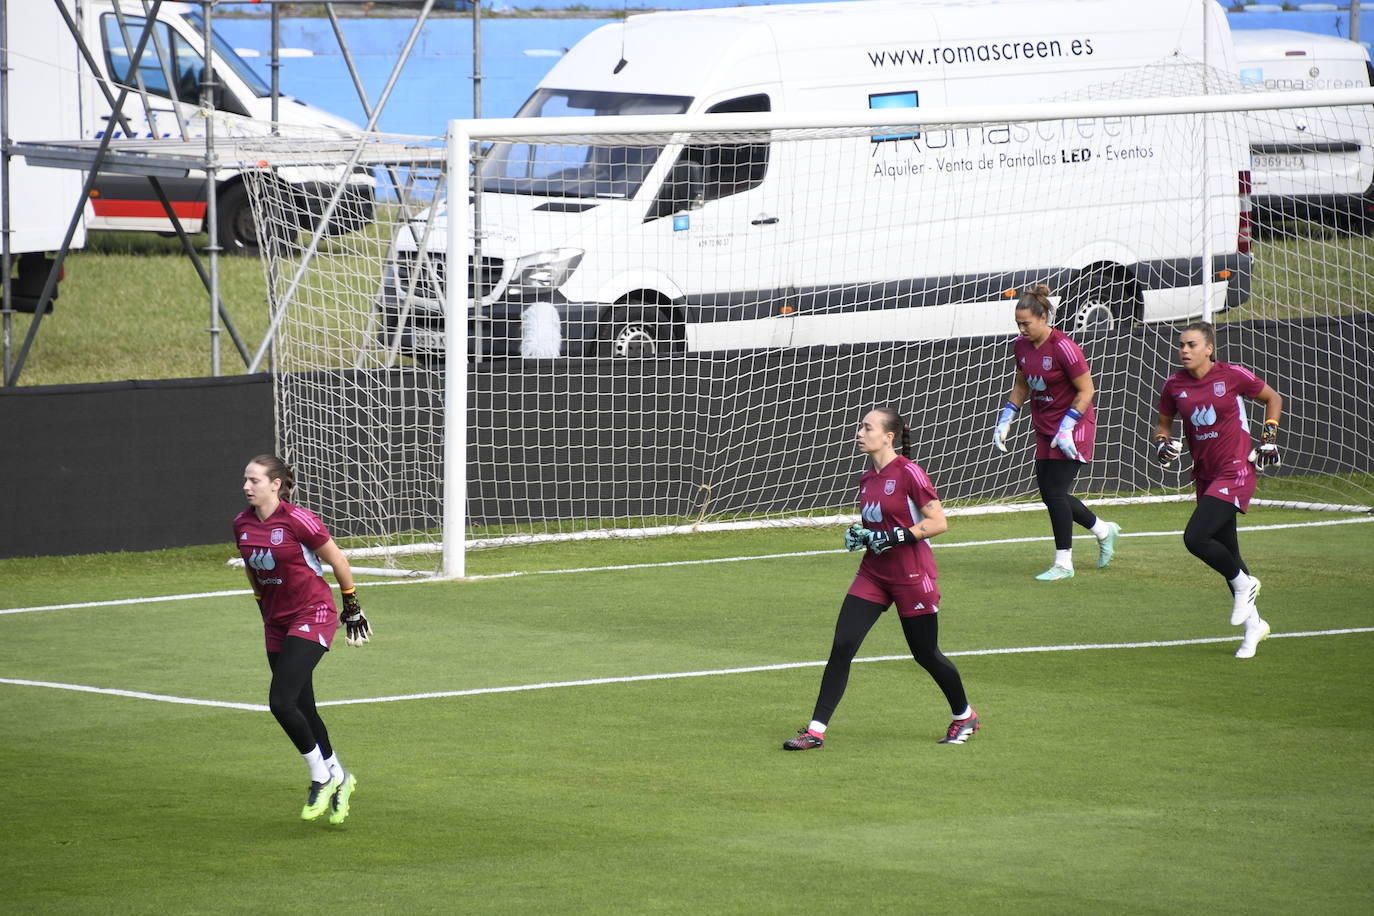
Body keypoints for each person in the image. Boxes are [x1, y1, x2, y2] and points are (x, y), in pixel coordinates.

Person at [783, 407, 979, 750]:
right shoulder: (867, 479)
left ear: (888, 436)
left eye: (867, 427)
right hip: (873, 573)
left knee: (926, 654)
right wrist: (862, 534)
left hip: (912, 576)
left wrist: (894, 537)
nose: (859, 432)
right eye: (861, 427)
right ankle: (815, 731)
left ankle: (964, 715)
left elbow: (938, 523)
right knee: (843, 645)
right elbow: (879, 526)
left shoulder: (910, 474)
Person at [235, 455, 372, 823]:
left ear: (275, 484)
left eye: (254, 480)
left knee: (280, 702)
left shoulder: (298, 520)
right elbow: (251, 567)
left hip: (313, 614)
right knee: (302, 706)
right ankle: (341, 777)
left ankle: (321, 776)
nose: (247, 486)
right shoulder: (242, 524)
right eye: (245, 480)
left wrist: (352, 607)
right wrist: (262, 603)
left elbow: (338, 560)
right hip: (276, 621)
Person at [1153, 321, 1281, 659]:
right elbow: (1163, 423)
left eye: (1192, 345)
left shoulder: (1233, 375)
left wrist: (1268, 440)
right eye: (1181, 345)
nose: (1184, 350)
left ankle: (1245, 584)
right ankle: (1254, 627)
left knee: (1195, 538)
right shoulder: (1173, 385)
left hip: (1236, 470)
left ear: (1208, 348)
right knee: (1227, 552)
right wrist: (1162, 444)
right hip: (1205, 476)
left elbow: (1272, 398)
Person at [991, 284, 1121, 580]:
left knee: (1055, 491)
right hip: (1046, 426)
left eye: (1026, 323)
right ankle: (1104, 530)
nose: (1021, 329)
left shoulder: (1064, 347)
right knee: (1051, 494)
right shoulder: (1020, 347)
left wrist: (1067, 428)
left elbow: (1087, 389)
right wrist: (1006, 418)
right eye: (1018, 324)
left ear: (1043, 318)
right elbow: (1022, 385)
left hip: (1074, 425)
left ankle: (1064, 563)